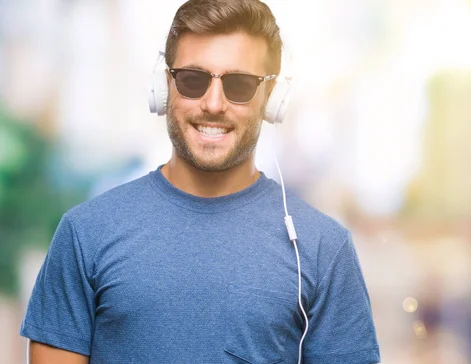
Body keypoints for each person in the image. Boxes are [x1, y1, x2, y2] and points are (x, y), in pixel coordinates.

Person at [19, 0, 381, 363]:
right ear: (165, 88)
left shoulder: (322, 249)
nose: (213, 103)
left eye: (239, 84)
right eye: (193, 80)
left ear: (271, 99)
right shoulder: (86, 233)